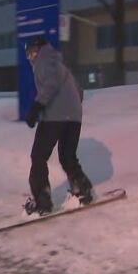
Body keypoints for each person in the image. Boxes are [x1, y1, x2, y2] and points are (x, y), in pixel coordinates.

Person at [23, 37, 93, 216]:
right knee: (67, 157)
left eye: (32, 52)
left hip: (55, 116)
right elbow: (80, 92)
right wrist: (71, 109)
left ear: (40, 49)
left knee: (38, 156)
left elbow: (50, 85)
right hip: (74, 117)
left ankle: (42, 201)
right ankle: (82, 191)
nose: (31, 58)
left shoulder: (43, 61)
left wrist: (36, 106)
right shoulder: (60, 65)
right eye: (28, 55)